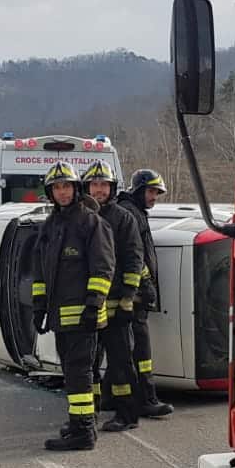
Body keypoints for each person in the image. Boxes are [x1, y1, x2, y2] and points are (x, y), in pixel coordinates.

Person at [31, 161, 116, 451]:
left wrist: (94, 304)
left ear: (76, 188)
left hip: (84, 316)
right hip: (60, 317)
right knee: (71, 372)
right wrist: (38, 305)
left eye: (67, 186)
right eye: (57, 187)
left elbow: (103, 266)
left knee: (79, 372)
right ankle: (80, 421)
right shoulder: (51, 225)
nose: (63, 192)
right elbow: (40, 270)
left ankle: (83, 433)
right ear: (50, 192)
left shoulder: (90, 222)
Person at [80, 160, 146, 431]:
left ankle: (127, 415)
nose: (99, 190)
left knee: (121, 363)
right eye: (94, 185)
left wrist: (129, 297)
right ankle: (90, 412)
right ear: (86, 187)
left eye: (104, 185)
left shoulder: (123, 218)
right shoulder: (80, 217)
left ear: (112, 187)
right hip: (88, 305)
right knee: (90, 362)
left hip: (117, 303)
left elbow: (134, 259)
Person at [117, 169, 174, 418]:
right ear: (139, 190)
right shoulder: (130, 214)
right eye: (151, 192)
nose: (154, 197)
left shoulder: (134, 212)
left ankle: (118, 396)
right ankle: (146, 398)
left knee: (130, 346)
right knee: (140, 348)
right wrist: (146, 284)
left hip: (134, 292)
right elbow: (133, 256)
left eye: (157, 193)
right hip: (134, 294)